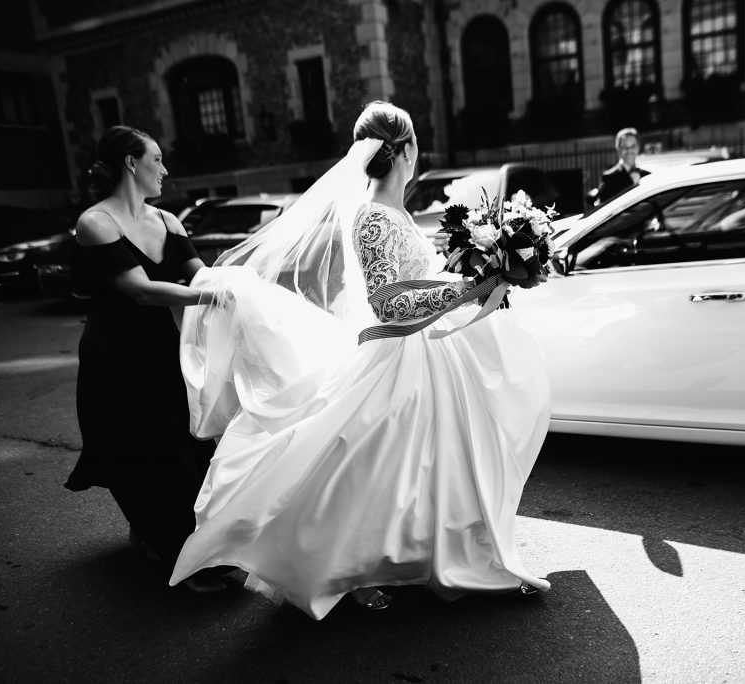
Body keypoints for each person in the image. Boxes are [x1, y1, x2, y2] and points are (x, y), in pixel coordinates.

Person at [168, 101, 551, 618]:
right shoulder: (372, 217)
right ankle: (348, 568)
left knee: (433, 463)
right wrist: (471, 288)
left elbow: (418, 279)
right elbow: (389, 303)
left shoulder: (396, 212)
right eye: (416, 144)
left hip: (432, 352)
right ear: (406, 150)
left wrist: (484, 273)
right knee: (376, 463)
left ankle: (434, 553)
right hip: (398, 354)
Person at [64, 125, 225, 594]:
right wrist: (212, 299)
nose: (165, 169)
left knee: (185, 445)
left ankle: (176, 537)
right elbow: (140, 290)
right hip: (116, 355)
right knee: (147, 447)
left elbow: (201, 276)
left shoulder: (168, 221)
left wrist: (242, 286)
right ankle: (179, 554)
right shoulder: (96, 222)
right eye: (157, 159)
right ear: (131, 163)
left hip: (164, 348)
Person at [594, 127, 649, 205]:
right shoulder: (609, 178)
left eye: (633, 146)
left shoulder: (647, 175)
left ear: (638, 147)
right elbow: (603, 207)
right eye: (625, 147)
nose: (629, 150)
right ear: (618, 149)